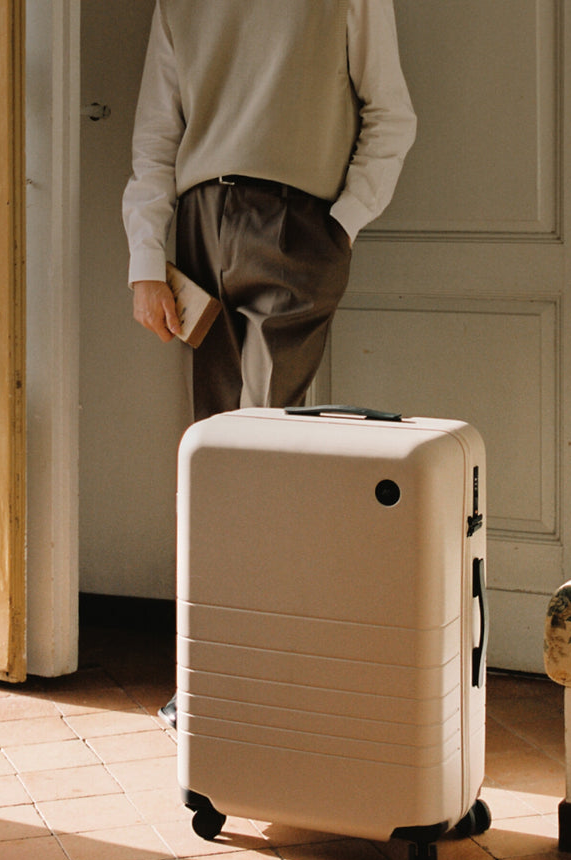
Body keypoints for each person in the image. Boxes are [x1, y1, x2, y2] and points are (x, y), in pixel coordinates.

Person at [122, 0, 417, 726]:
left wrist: (340, 225)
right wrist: (145, 263)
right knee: (218, 457)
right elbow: (157, 136)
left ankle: (264, 675)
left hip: (295, 222)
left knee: (268, 455)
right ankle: (217, 675)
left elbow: (391, 114)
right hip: (197, 230)